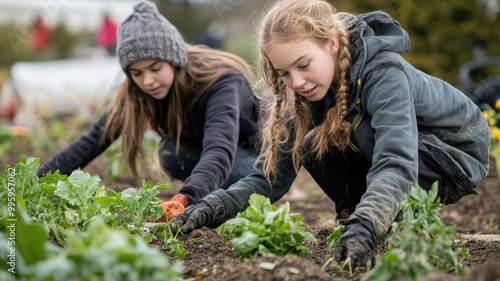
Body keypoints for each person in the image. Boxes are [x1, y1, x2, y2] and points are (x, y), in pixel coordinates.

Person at [171, 0, 490, 270]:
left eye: (304, 65)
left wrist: (369, 223)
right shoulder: (304, 95)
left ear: (333, 45)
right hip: (406, 153)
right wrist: (215, 206)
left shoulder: (383, 72)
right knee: (308, 144)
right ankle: (360, 218)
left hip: (452, 154)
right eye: (284, 73)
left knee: (361, 133)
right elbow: (269, 178)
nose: (296, 82)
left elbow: (396, 157)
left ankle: (371, 222)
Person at [37, 0, 260, 221]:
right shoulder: (136, 91)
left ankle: (236, 195)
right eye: (137, 73)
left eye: (155, 69)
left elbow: (219, 148)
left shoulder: (220, 81)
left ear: (173, 60)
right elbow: (91, 142)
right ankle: (211, 190)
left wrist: (185, 199)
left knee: (245, 179)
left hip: (254, 156)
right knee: (172, 153)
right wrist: (37, 182)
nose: (148, 81)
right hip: (209, 154)